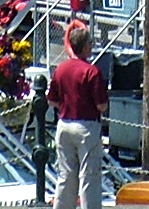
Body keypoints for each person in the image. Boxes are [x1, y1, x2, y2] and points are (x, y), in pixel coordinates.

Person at [49, 21, 108, 209]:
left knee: (65, 175)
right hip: (86, 127)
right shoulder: (92, 72)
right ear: (85, 47)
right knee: (89, 176)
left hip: (64, 124)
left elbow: (52, 100)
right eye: (90, 43)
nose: (91, 46)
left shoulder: (60, 69)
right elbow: (101, 106)